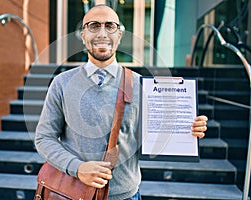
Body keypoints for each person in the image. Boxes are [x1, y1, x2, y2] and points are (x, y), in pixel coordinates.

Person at [35, 4, 208, 200]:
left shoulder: (142, 86)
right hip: (73, 192)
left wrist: (187, 129)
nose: (102, 33)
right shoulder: (61, 83)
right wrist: (78, 168)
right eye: (93, 26)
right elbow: (44, 138)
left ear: (119, 35)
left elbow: (153, 137)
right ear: (83, 36)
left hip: (126, 195)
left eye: (110, 26)